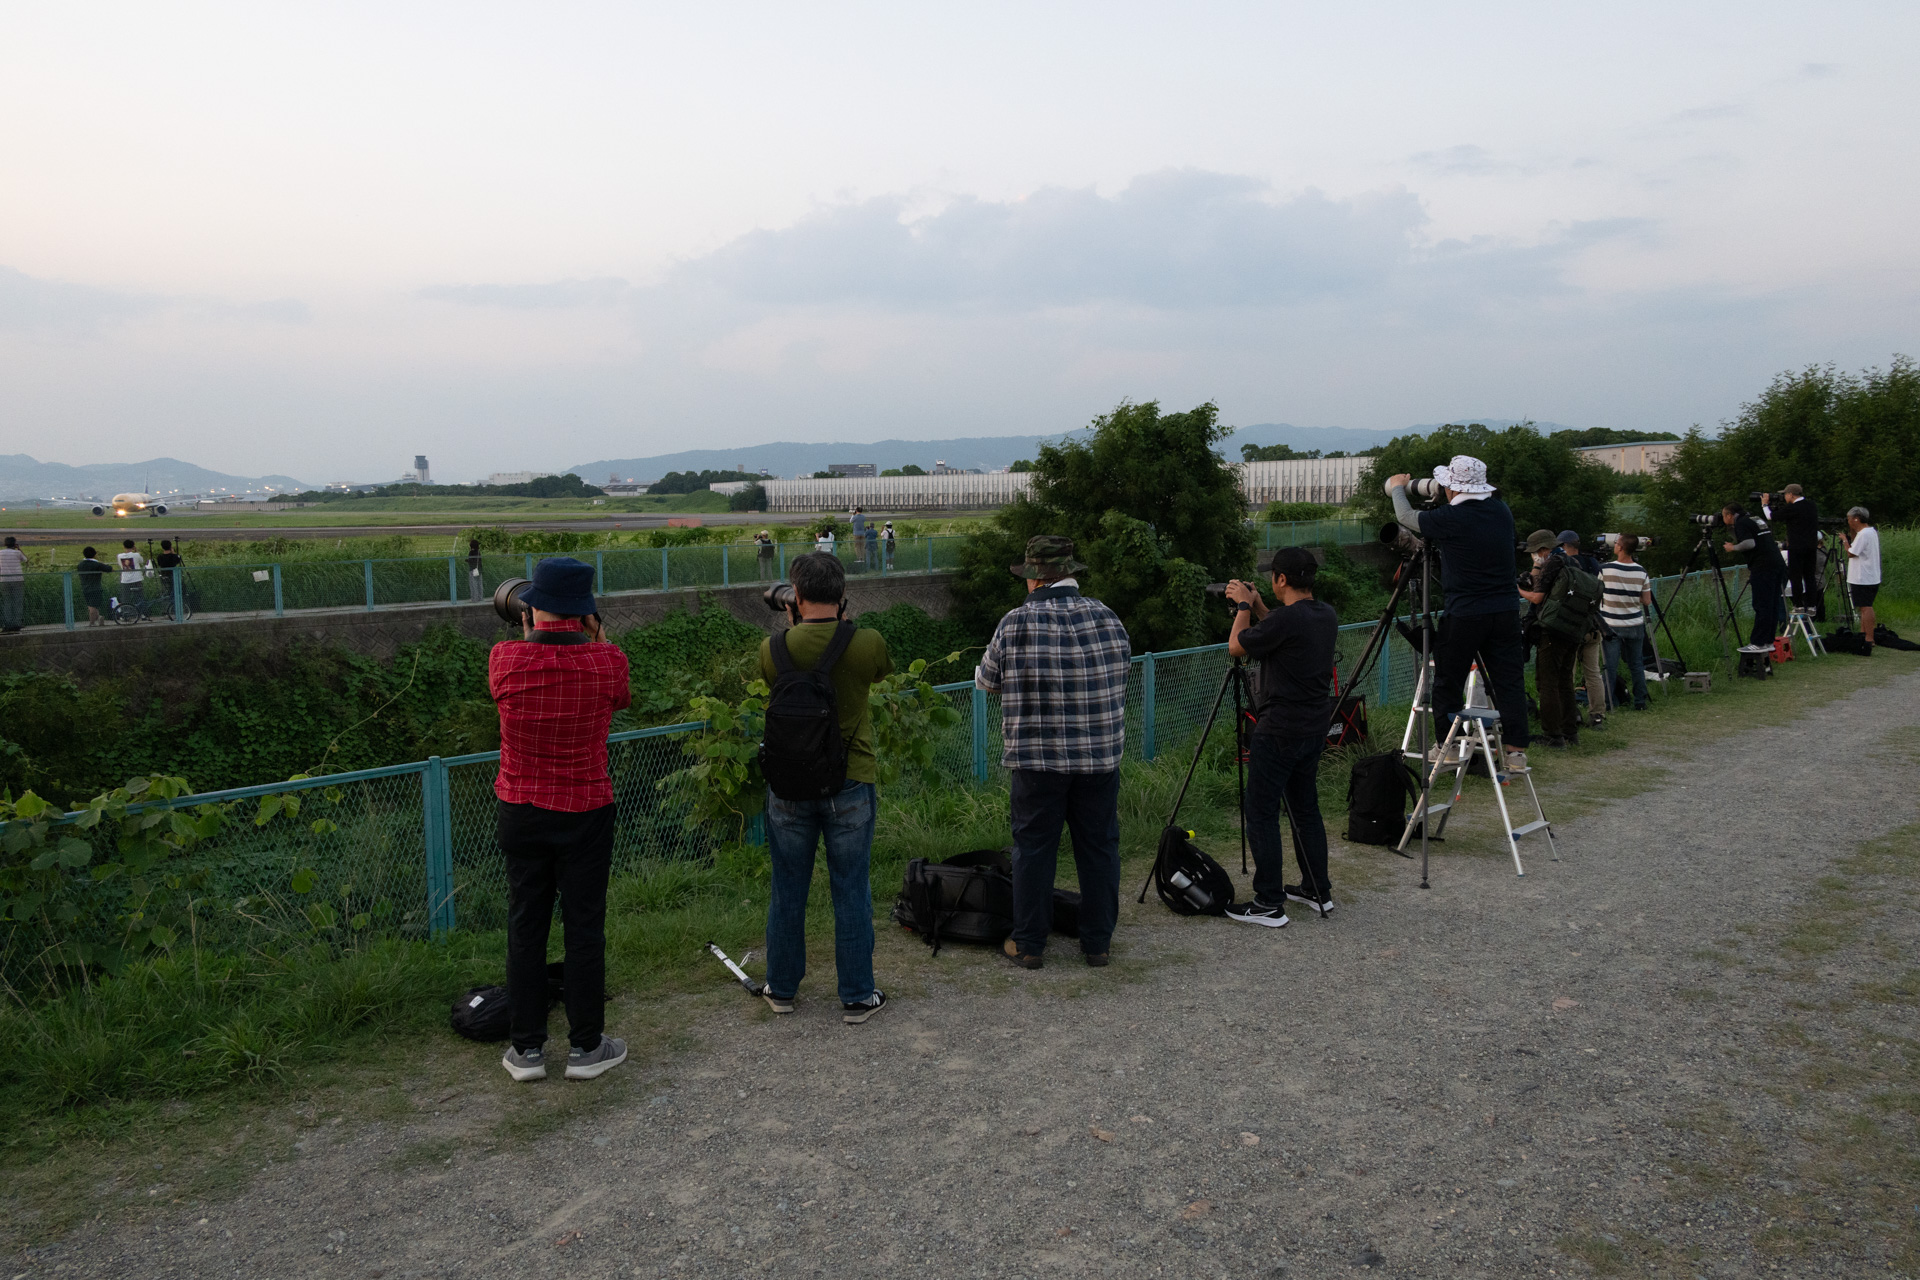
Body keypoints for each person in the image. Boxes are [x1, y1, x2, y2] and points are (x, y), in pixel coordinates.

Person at [489, 557, 633, 1083]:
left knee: (526, 925)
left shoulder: (504, 659)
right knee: (584, 927)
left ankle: (526, 1051)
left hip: (521, 809)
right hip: (586, 810)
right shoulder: (607, 662)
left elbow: (514, 675)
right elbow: (620, 697)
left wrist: (531, 635)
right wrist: (597, 638)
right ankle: (587, 1047)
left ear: (531, 609)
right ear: (587, 612)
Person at [976, 535, 1131, 969]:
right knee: (1099, 847)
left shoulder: (1015, 622)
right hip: (1099, 756)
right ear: (1070, 573)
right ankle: (1097, 943)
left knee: (1034, 847)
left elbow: (986, 681)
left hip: (1036, 760)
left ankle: (1029, 944)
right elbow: (1122, 670)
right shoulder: (1108, 616)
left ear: (1034, 578)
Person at [757, 551, 893, 1022]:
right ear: (842, 594)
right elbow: (879, 672)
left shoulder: (772, 649)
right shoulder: (867, 641)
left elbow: (779, 677)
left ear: (794, 597)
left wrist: (795, 624)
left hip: (789, 785)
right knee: (851, 888)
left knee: (787, 889)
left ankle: (782, 988)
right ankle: (857, 995)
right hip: (851, 782)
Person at [1385, 456, 1530, 763]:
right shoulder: (1501, 512)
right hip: (1505, 611)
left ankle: (1447, 745)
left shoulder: (1450, 518)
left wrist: (1398, 487)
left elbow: (1406, 515)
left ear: (1451, 487)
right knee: (1509, 681)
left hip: (1465, 612)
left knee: (1448, 679)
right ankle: (1517, 752)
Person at [1222, 547, 1339, 926]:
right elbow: (1282, 628)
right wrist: (1258, 607)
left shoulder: (1285, 621)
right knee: (1305, 810)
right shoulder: (1324, 614)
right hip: (1313, 725)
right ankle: (1316, 888)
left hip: (1279, 729)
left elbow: (1236, 647)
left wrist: (1242, 606)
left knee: (1261, 813)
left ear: (1282, 579)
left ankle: (1268, 902)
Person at [1518, 530, 1582, 747]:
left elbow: (1537, 596)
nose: (1533, 557)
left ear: (1544, 549)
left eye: (1535, 552)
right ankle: (1570, 732)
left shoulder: (1552, 563)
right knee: (1565, 681)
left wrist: (1518, 590)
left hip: (1553, 630)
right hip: (1572, 628)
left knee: (1547, 683)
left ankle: (1553, 736)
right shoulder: (1572, 562)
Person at [1554, 531, 1609, 729]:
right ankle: (1597, 715)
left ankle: (1571, 713)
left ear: (1564, 545)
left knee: (1568, 672)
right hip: (1593, 624)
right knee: (1593, 673)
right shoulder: (1592, 563)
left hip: (1570, 626)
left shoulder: (1563, 564)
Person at [1599, 535, 1654, 711]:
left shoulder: (1605, 569)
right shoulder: (1641, 571)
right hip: (1635, 624)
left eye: (1616, 543)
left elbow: (1597, 591)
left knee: (1610, 666)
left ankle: (1608, 703)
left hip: (1611, 624)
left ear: (1620, 548)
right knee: (1636, 664)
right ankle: (1640, 701)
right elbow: (1646, 601)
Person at [1721, 502, 1784, 647]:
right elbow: (1745, 537)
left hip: (1762, 566)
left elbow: (1749, 543)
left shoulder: (1742, 524)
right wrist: (1730, 528)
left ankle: (1758, 642)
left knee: (1761, 605)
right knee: (1772, 604)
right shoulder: (1754, 519)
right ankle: (1768, 641)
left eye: (1724, 516)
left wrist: (1733, 547)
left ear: (1729, 515)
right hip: (1776, 563)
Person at [1763, 486, 1821, 617]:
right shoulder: (1811, 505)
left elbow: (1771, 516)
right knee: (1809, 576)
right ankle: (1812, 605)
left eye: (1785, 495)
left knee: (1796, 575)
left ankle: (1799, 605)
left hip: (1796, 546)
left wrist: (1765, 505)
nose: (1784, 497)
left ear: (1791, 494)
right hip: (1811, 546)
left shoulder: (1793, 508)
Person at [1843, 506, 1880, 656]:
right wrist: (1851, 534)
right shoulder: (1870, 531)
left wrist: (1844, 541)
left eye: (1849, 519)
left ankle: (1869, 639)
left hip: (1862, 577)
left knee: (1866, 607)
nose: (1848, 521)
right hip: (1870, 576)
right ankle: (1863, 635)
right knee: (1864, 607)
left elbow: (1851, 553)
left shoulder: (1864, 534)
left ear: (1856, 518)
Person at [76, 545, 112, 626]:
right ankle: (93, 622)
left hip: (85, 588)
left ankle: (98, 618)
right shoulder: (97, 564)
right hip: (96, 588)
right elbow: (109, 569)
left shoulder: (81, 565)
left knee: (90, 606)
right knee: (93, 606)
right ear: (94, 554)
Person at [115, 539, 148, 609]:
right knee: (139, 596)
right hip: (137, 578)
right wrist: (136, 551)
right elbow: (141, 561)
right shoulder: (136, 555)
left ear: (124, 547)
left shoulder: (119, 556)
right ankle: (142, 613)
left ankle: (126, 613)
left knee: (125, 598)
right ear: (133, 547)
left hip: (125, 579)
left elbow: (120, 564)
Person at [0, 536, 24, 633]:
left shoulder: (0, 553)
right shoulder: (17, 553)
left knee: (7, 602)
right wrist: (19, 549)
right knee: (18, 602)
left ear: (5, 544)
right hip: (18, 579)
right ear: (14, 544)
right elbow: (25, 559)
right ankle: (17, 624)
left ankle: (7, 624)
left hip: (4, 580)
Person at [154, 539, 184, 612]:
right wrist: (174, 553)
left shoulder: (160, 557)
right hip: (172, 575)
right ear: (170, 547)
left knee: (165, 592)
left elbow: (159, 564)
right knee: (175, 591)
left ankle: (166, 608)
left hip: (164, 576)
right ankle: (175, 607)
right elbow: (178, 561)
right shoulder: (173, 556)